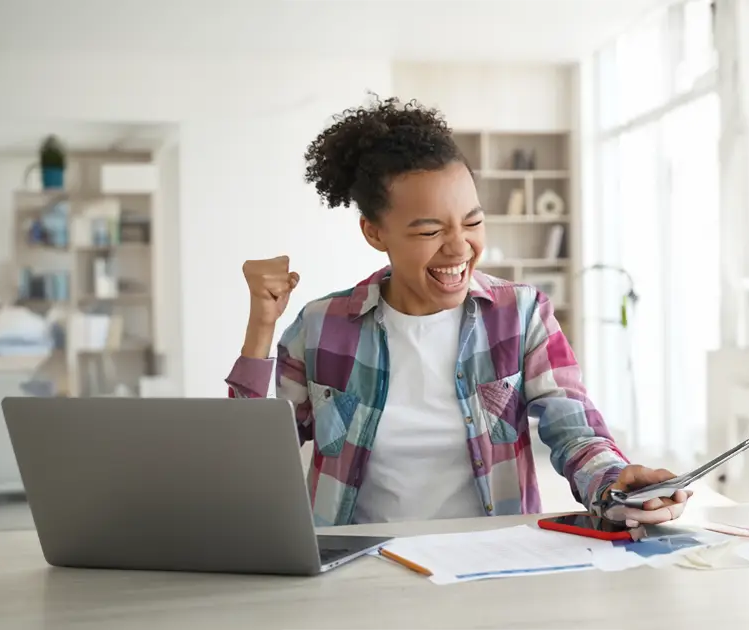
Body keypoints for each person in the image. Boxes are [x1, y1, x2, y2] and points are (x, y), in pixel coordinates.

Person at [226, 95, 691, 528]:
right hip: (356, 565)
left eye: (472, 222)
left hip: (488, 560)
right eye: (429, 231)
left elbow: (574, 431)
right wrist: (261, 325)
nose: (459, 248)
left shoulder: (521, 313)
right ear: (374, 233)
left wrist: (616, 485)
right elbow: (254, 463)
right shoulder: (322, 325)